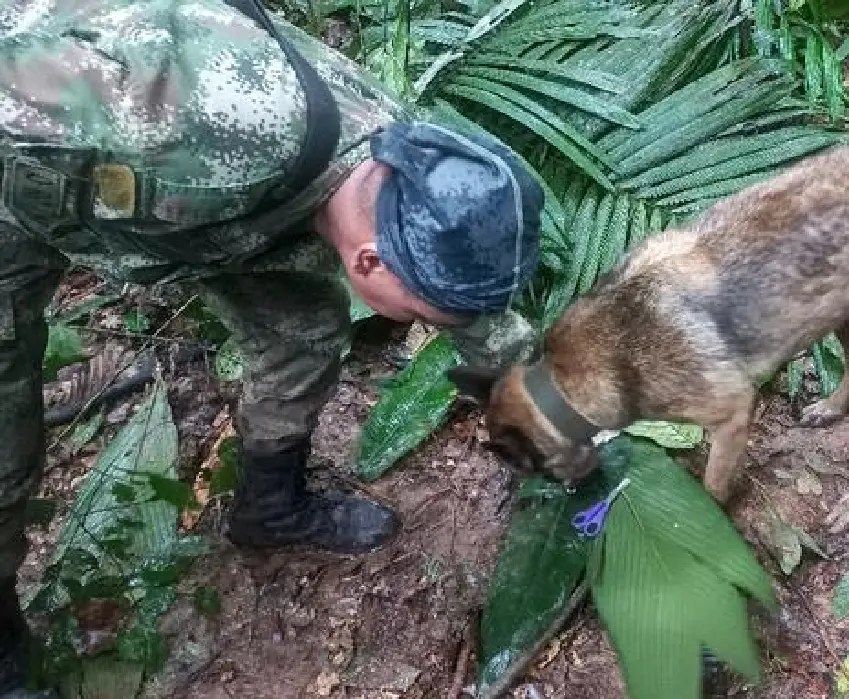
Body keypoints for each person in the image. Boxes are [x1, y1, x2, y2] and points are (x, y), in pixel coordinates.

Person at [0, 1, 544, 696]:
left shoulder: (402, 166)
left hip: (204, 213)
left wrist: (548, 403)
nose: (435, 326)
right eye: (425, 317)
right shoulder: (183, 123)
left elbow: (467, 307)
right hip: (22, 173)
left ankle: (270, 505)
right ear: (371, 265)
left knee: (303, 332)